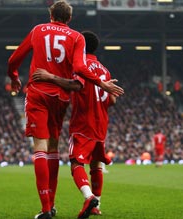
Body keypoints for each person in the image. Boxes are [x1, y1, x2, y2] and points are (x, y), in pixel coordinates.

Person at [7, 1, 124, 219]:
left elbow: (14, 59)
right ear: (69, 19)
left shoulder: (38, 30)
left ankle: (46, 209)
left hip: (39, 91)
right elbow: (80, 69)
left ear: (50, 14)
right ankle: (58, 205)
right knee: (53, 149)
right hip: (61, 97)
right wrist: (103, 83)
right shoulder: (77, 38)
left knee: (40, 148)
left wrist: (14, 77)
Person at [32, 30, 117, 219]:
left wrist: (50, 77)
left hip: (83, 123)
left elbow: (75, 85)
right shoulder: (104, 70)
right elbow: (111, 100)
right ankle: (97, 205)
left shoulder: (80, 65)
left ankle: (89, 197)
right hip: (101, 122)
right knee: (96, 164)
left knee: (76, 163)